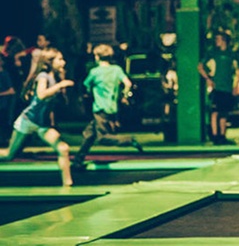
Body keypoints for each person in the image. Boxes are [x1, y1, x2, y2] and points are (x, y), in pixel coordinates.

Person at [0, 51, 75, 187]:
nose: (63, 62)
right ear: (50, 62)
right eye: (60, 59)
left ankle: (68, 184)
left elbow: (51, 105)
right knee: (8, 155)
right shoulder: (43, 76)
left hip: (42, 124)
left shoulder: (55, 78)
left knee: (63, 149)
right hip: (27, 120)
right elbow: (41, 95)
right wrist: (60, 85)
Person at [72, 44, 143, 170]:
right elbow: (128, 83)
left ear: (97, 57)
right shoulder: (116, 69)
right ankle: (78, 160)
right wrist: (124, 96)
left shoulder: (94, 72)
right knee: (89, 134)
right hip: (111, 107)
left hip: (100, 108)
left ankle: (129, 140)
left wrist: (88, 93)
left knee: (102, 138)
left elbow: (86, 86)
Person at [197, 31, 239, 145]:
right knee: (215, 112)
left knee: (224, 112)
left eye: (218, 39)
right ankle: (215, 135)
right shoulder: (212, 53)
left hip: (227, 87)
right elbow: (200, 66)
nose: (216, 41)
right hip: (216, 87)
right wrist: (208, 79)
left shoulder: (231, 54)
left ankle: (222, 135)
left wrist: (236, 84)